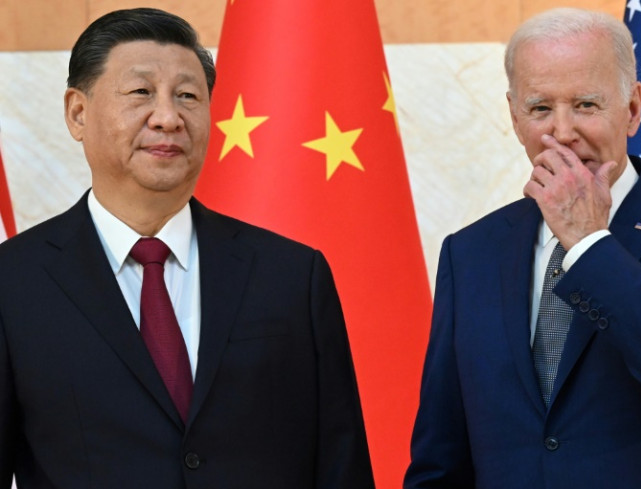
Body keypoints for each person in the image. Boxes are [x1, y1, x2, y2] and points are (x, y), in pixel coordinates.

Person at [0, 8, 374, 489]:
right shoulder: (14, 283)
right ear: (78, 112)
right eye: (141, 93)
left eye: (188, 96)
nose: (168, 117)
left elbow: (342, 467)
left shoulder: (292, 276)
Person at [405, 7, 641, 489]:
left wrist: (588, 242)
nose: (561, 132)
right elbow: (442, 451)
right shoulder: (470, 251)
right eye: (540, 108)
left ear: (633, 108)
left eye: (585, 104)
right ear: (515, 117)